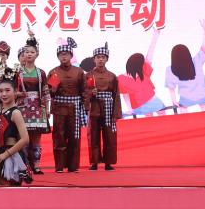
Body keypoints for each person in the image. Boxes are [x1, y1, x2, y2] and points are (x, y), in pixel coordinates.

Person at [47, 38, 87, 173]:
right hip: (59, 107)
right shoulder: (54, 72)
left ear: (71, 56)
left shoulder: (79, 71)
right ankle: (59, 166)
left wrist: (85, 107)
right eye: (61, 54)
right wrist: (53, 89)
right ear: (58, 57)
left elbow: (84, 90)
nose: (63, 57)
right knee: (59, 136)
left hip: (75, 108)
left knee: (74, 136)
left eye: (66, 54)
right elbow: (48, 93)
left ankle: (73, 166)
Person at [14, 36, 50, 174]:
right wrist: (18, 94)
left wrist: (47, 108)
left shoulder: (41, 73)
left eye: (32, 52)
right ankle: (24, 166)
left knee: (36, 138)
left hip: (37, 107)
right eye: (26, 52)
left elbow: (45, 92)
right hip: (22, 107)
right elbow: (13, 90)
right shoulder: (17, 72)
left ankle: (36, 165)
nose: (29, 54)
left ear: (37, 54)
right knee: (22, 137)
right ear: (23, 54)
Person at [85, 43, 122, 171]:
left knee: (109, 135)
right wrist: (90, 93)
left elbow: (116, 94)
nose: (100, 59)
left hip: (108, 106)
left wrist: (116, 113)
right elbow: (83, 93)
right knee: (93, 134)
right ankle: (94, 162)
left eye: (103, 57)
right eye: (98, 57)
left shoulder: (112, 76)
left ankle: (108, 162)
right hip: (94, 107)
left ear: (107, 59)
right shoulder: (88, 75)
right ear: (94, 59)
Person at [0, 72, 33, 186]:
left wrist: (5, 155)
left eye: (7, 90)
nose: (4, 94)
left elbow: (25, 139)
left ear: (15, 92)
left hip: (10, 157)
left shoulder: (15, 113)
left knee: (8, 189)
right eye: (1, 91)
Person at [165, 20, 205, 109]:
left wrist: (174, 101)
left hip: (187, 100)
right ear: (188, 53)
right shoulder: (197, 61)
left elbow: (171, 89)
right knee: (203, 104)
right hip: (204, 96)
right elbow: (204, 47)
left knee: (183, 107)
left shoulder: (170, 69)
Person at [119, 27, 165, 116]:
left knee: (154, 116)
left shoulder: (123, 78)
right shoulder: (143, 72)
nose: (145, 63)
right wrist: (155, 36)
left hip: (144, 105)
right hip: (147, 104)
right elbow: (125, 95)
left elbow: (125, 95)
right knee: (160, 114)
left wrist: (155, 36)